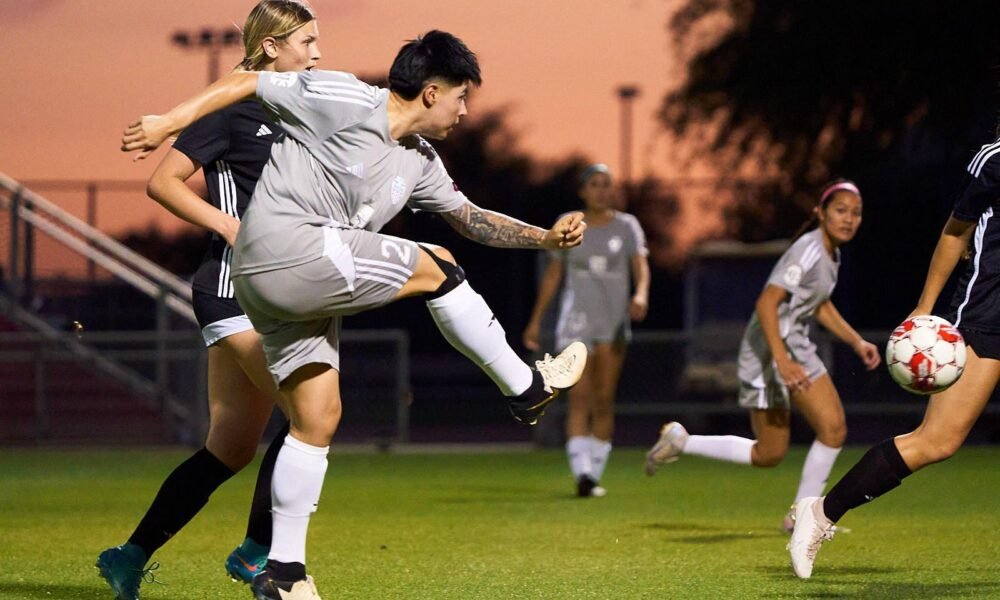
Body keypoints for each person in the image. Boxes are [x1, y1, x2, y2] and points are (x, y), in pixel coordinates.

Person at [121, 30, 588, 600]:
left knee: (316, 419)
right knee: (435, 263)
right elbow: (245, 80)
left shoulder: (420, 161)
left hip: (278, 286)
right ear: (431, 91)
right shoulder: (346, 98)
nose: (466, 111)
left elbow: (468, 217)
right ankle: (525, 386)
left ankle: (282, 571)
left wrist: (544, 238)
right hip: (283, 249)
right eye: (462, 96)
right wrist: (169, 121)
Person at [96, 3, 321, 599]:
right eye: (307, 40)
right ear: (271, 47)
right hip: (231, 290)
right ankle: (256, 555)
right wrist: (228, 227)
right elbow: (162, 181)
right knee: (310, 416)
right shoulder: (231, 107)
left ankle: (128, 555)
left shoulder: (303, 108)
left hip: (277, 295)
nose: (318, 52)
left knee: (230, 448)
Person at [788, 144, 1000, 579]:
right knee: (937, 441)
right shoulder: (995, 159)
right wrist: (924, 308)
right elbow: (954, 232)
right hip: (987, 313)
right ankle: (823, 512)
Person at [645, 180, 881, 532]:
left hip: (795, 346)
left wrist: (855, 341)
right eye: (841, 210)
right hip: (766, 352)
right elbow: (766, 303)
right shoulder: (808, 250)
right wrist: (781, 361)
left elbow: (819, 304)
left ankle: (802, 516)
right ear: (820, 212)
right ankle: (683, 442)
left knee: (830, 430)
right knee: (771, 453)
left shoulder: (832, 253)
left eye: (856, 212)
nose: (849, 218)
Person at [522, 163, 649, 497]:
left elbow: (641, 266)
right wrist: (536, 319)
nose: (601, 190)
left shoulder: (627, 226)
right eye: (594, 184)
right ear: (582, 191)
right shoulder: (571, 223)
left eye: (606, 184)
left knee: (604, 399)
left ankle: (594, 471)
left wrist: (641, 294)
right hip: (576, 322)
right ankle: (582, 475)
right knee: (579, 397)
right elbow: (553, 275)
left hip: (613, 322)